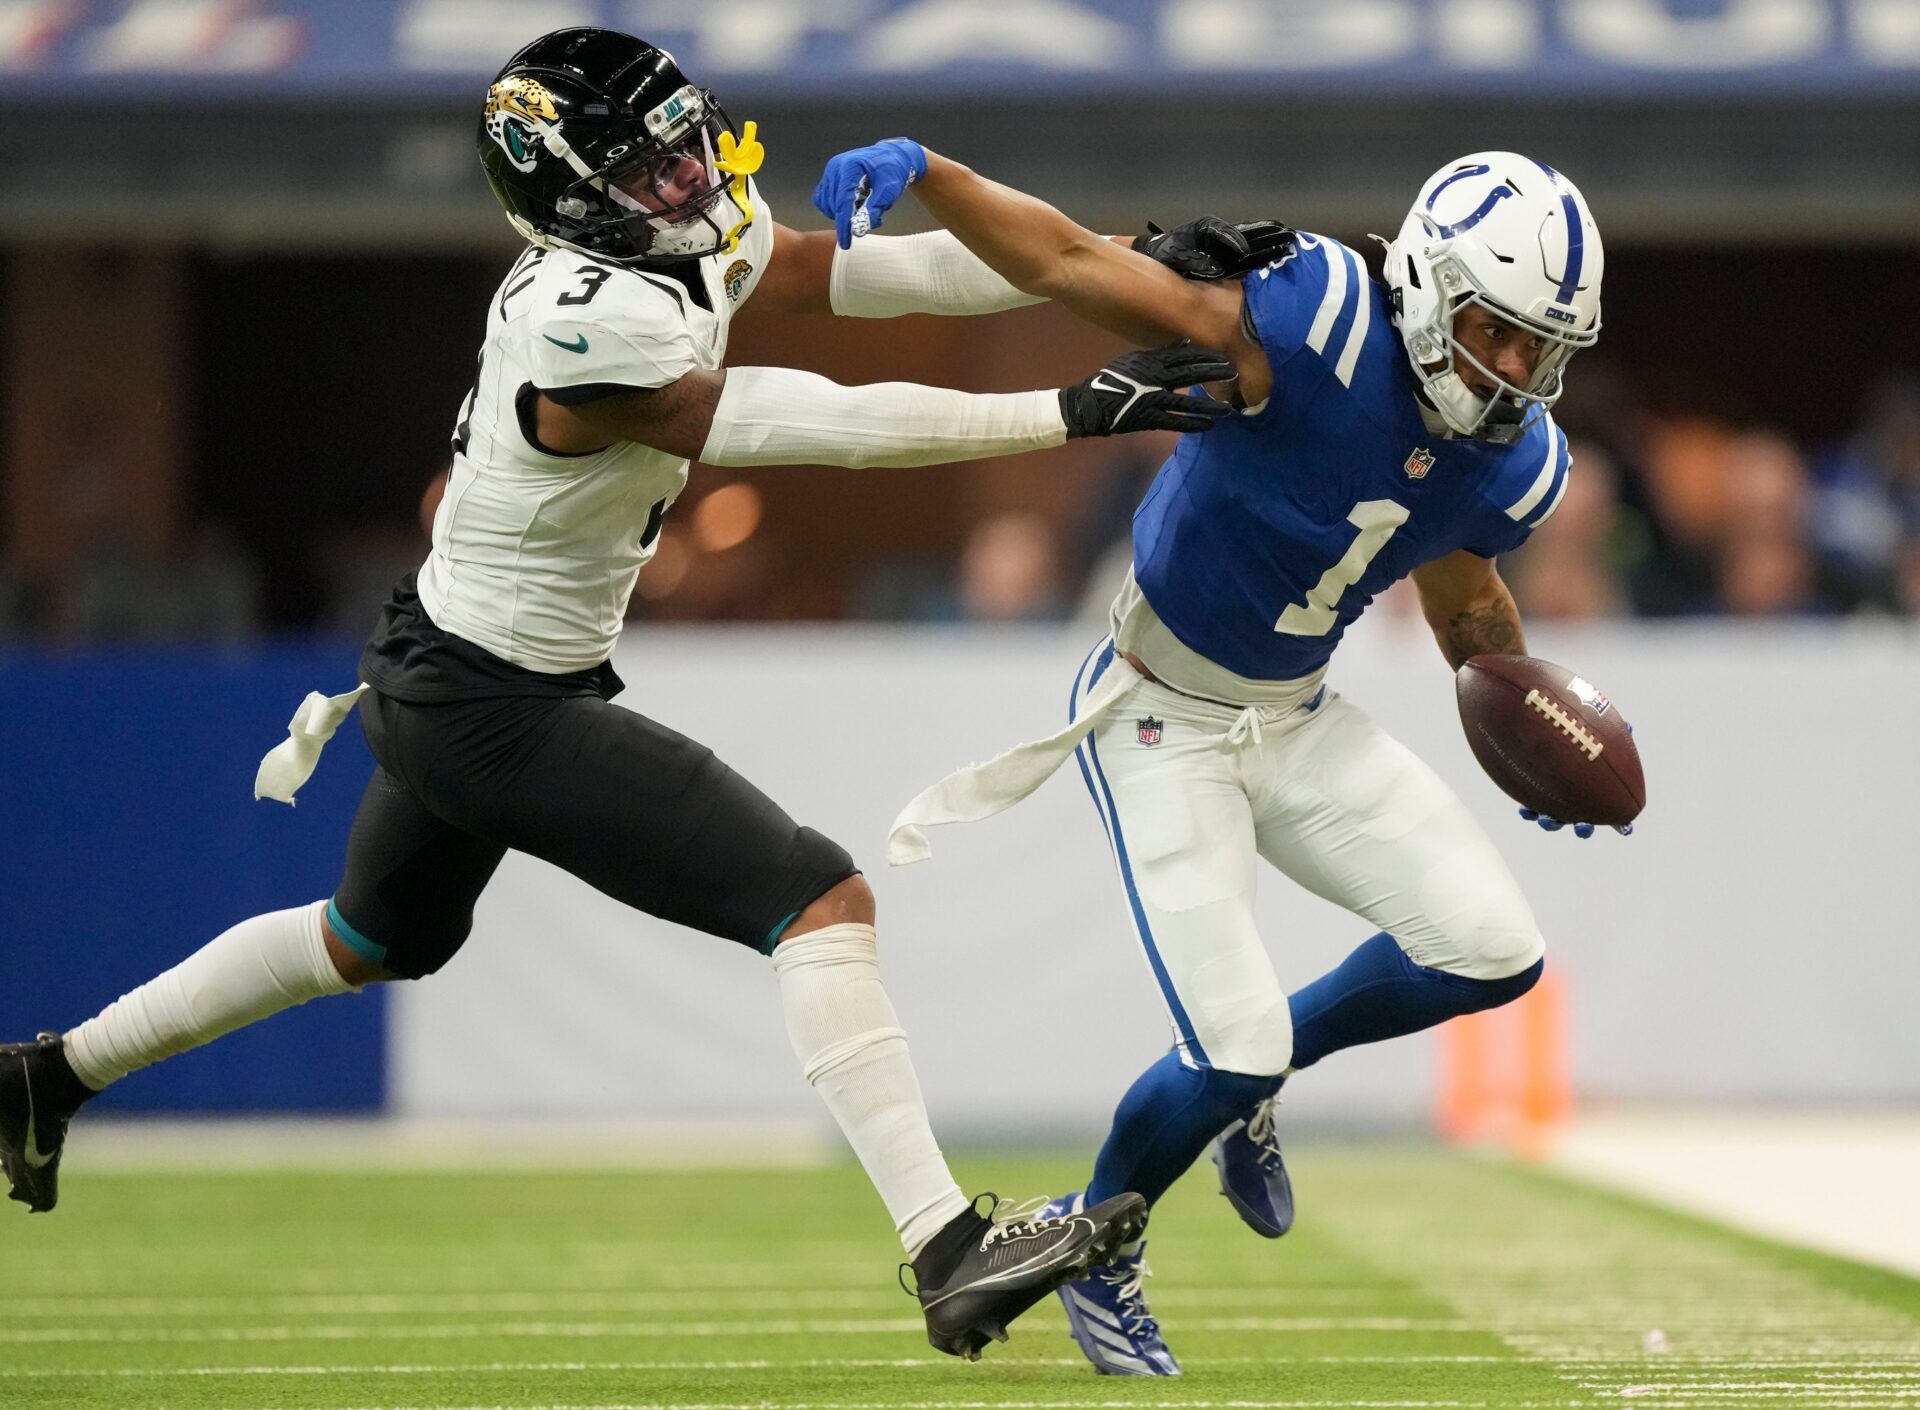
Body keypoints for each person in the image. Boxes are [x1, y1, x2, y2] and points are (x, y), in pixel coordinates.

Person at [0, 26, 1250, 1362]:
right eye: (649, 163)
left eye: (681, 141)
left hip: (450, 666)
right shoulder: (583, 319)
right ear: (569, 193)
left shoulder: (667, 242)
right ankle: (946, 1246)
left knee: (366, 940)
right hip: (492, 701)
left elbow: (861, 280)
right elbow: (801, 420)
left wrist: (1128, 259)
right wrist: (1067, 411)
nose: (689, 174)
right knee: (818, 898)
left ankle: (47, 1074)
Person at [816, 141, 1623, 1375]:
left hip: (1298, 716)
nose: (1513, 370)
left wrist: (1536, 739)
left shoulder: (1513, 456)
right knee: (1230, 1045)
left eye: (1539, 347)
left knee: (1494, 951)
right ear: (1424, 281)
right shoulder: (1310, 324)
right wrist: (928, 168)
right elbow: (1068, 256)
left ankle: (1251, 1084)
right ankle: (1099, 1241)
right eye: (1494, 329)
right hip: (1157, 711)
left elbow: (1467, 598)